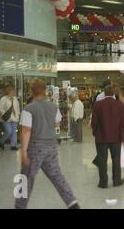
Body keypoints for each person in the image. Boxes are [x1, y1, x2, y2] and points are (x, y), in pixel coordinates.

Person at [15, 80, 79, 209]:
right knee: (57, 176)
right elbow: (57, 123)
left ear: (32, 92)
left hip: (35, 147)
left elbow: (26, 131)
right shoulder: (53, 107)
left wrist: (23, 152)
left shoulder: (29, 108)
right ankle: (73, 203)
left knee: (26, 178)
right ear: (45, 91)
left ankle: (19, 206)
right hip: (51, 147)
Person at [91, 85, 124, 188]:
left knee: (102, 160)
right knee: (116, 159)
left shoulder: (98, 105)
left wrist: (95, 132)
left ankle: (103, 183)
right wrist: (121, 133)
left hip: (101, 137)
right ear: (113, 94)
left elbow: (94, 122)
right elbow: (123, 122)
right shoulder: (120, 105)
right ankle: (117, 181)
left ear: (104, 93)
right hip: (116, 137)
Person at [0, 85, 20, 150]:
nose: (14, 92)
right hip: (7, 118)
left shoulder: (15, 98)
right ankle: (1, 141)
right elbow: (1, 108)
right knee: (9, 131)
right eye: (13, 91)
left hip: (14, 117)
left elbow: (17, 108)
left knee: (14, 132)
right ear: (9, 91)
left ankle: (13, 146)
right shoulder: (3, 99)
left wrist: (18, 115)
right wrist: (4, 114)